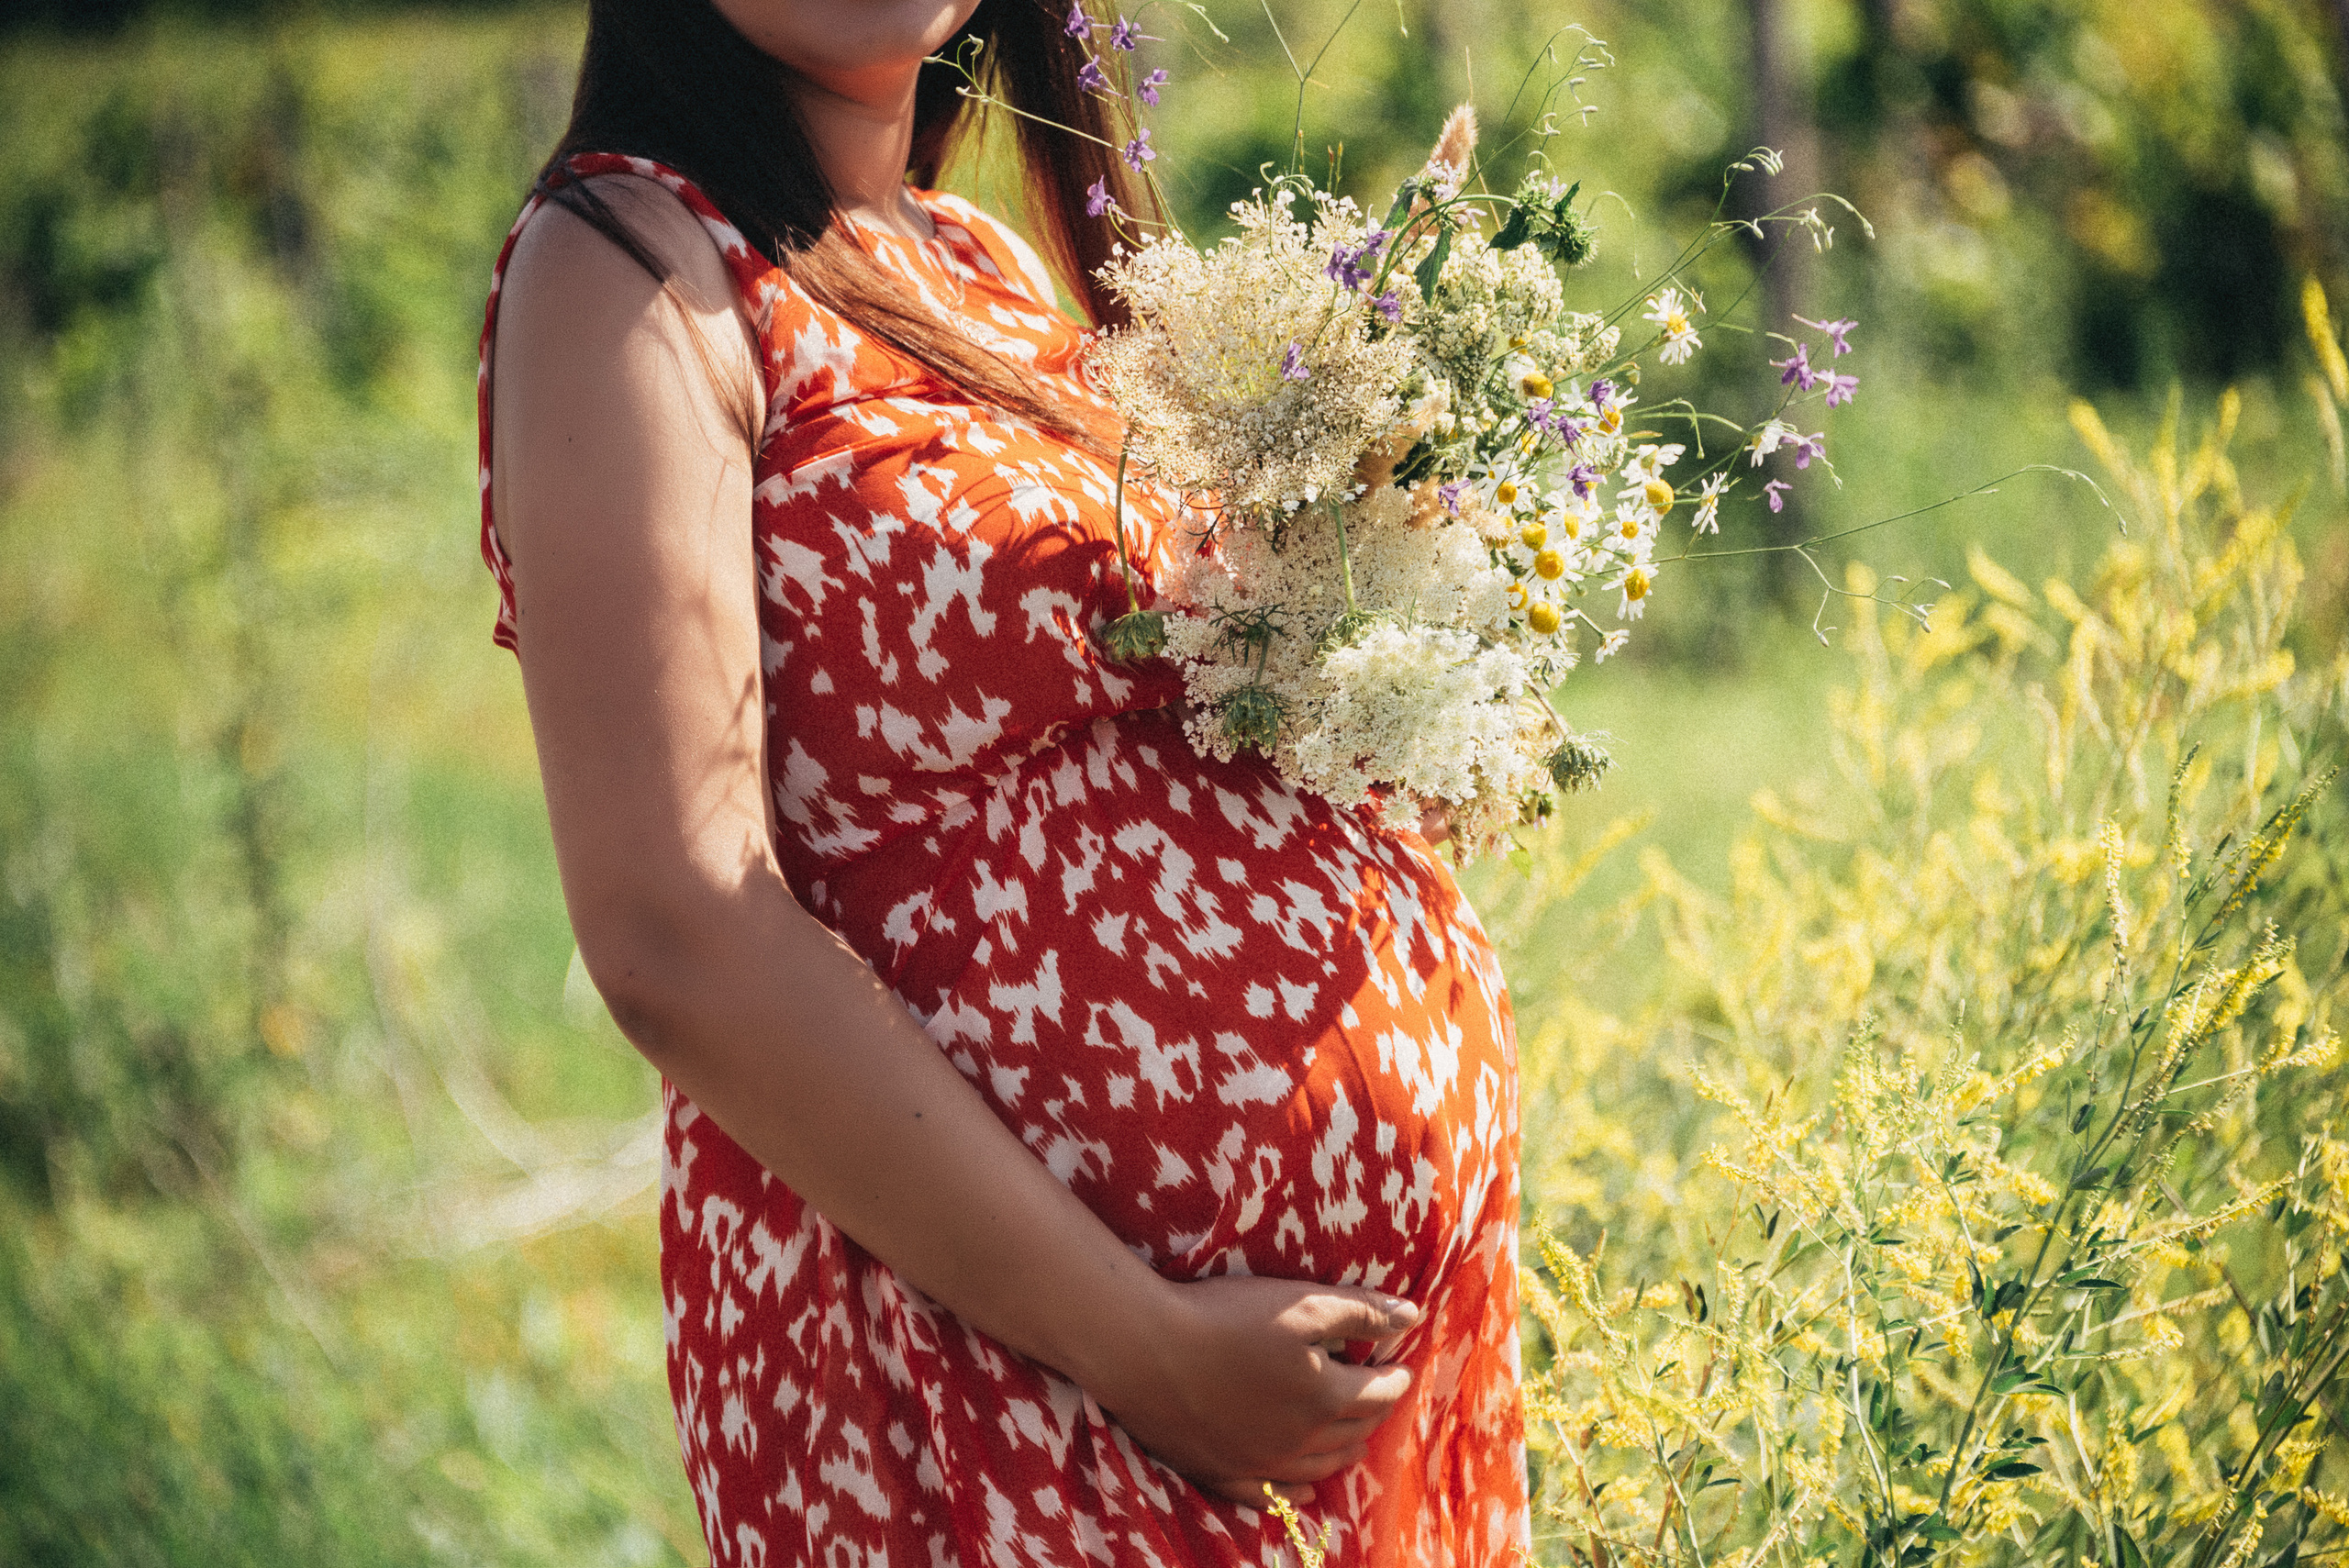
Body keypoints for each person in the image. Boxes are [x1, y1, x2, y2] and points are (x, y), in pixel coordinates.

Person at [479, 0, 1528, 1559]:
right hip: (974, 1372)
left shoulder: (968, 261)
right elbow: (673, 926)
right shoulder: (628, 269)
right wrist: (1145, 1344)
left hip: (1235, 1411)